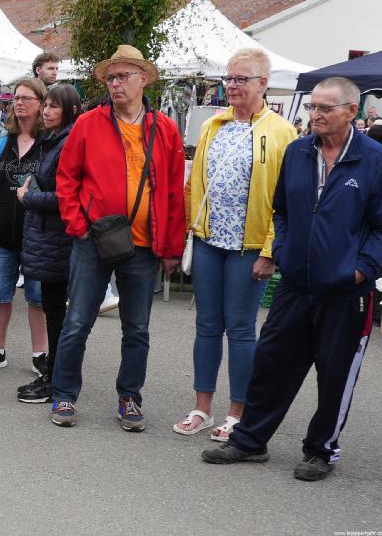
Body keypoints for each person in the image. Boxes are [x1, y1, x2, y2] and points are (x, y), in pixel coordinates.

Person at [200, 77, 382, 481]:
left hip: (346, 293)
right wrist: (282, 250)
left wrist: (362, 269)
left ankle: (320, 450)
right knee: (272, 363)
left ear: (351, 112)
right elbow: (280, 210)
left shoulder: (374, 159)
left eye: (324, 108)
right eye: (312, 107)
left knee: (335, 375)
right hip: (295, 284)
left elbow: (381, 228)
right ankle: (250, 441)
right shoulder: (298, 152)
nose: (314, 115)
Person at [50, 45, 185, 430]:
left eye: (123, 76)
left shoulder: (166, 129)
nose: (115, 83)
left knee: (137, 328)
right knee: (77, 321)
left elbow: (175, 191)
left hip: (144, 246)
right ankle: (63, 395)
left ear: (143, 79)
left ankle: (129, 398)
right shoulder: (89, 123)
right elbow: (66, 179)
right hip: (93, 240)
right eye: (111, 77)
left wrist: (172, 248)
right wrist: (77, 225)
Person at [173, 49, 296, 441]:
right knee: (206, 326)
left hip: (250, 246)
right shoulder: (214, 125)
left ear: (263, 83)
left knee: (241, 329)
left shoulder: (281, 132)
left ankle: (237, 412)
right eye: (229, 78)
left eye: (241, 78)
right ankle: (202, 408)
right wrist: (189, 232)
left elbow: (288, 199)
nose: (232, 85)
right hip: (210, 241)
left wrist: (270, 250)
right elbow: (196, 184)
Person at [0, 78, 49, 374]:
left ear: (41, 103)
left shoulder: (49, 142)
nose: (20, 102)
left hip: (38, 234)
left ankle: (41, 354)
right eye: (16, 97)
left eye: (27, 98)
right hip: (0, 233)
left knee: (37, 298)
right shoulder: (1, 140)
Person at [15, 84, 82, 403]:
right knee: (54, 310)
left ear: (69, 110)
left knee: (58, 313)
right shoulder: (53, 140)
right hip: (49, 236)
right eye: (47, 105)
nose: (46, 111)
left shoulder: (68, 141)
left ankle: (56, 379)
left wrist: (29, 198)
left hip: (60, 237)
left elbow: (67, 197)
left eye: (54, 106)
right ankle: (54, 375)